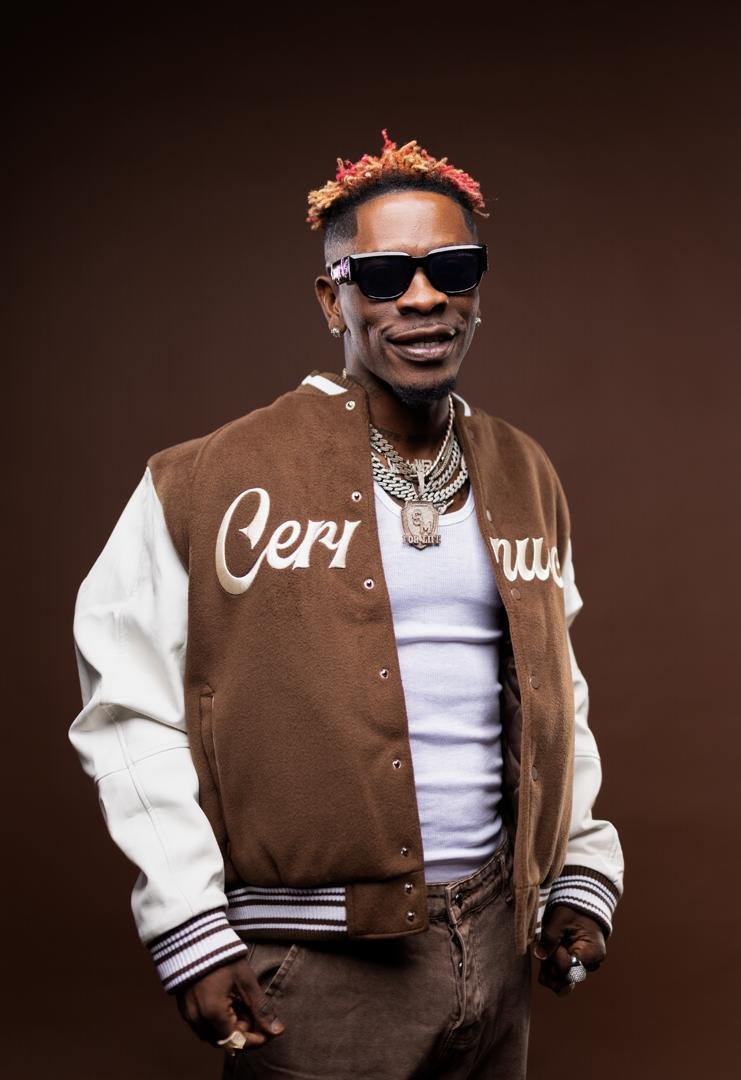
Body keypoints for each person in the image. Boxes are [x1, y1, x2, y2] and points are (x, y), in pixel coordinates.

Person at [70, 130, 625, 1078]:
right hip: (313, 963)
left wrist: (576, 869)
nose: (423, 296)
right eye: (383, 275)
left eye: (452, 267)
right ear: (333, 298)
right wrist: (188, 922)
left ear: (476, 288)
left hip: (499, 936)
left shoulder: (525, 473)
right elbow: (127, 710)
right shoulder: (207, 479)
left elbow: (554, 696)